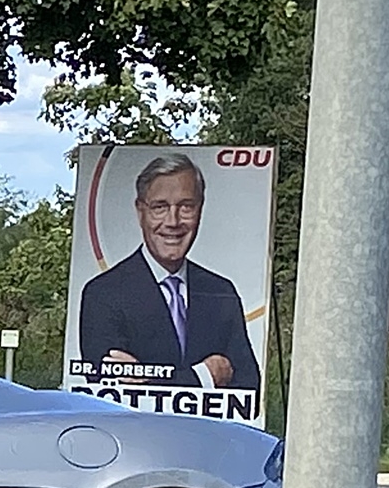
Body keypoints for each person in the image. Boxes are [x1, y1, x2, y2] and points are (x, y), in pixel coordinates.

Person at [75, 152, 260, 391]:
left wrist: (147, 377)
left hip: (204, 430)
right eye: (160, 207)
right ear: (140, 211)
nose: (173, 222)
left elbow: (249, 387)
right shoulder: (103, 293)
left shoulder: (221, 292)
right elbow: (109, 387)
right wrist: (202, 377)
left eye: (186, 207)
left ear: (200, 209)